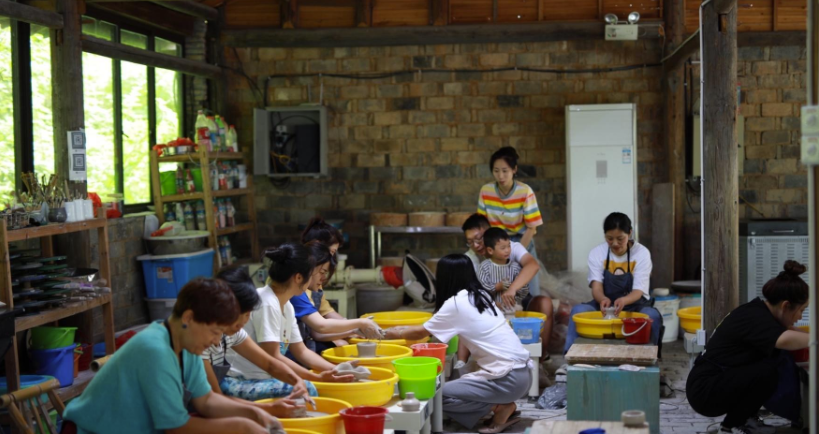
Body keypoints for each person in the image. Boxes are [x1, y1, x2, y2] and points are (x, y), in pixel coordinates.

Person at [62, 279, 280, 434]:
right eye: (215, 332)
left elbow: (206, 400)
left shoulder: (187, 345)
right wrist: (242, 427)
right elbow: (177, 427)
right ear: (188, 318)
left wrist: (254, 413)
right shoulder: (154, 349)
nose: (216, 341)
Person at [385, 254, 531, 434]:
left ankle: (499, 407)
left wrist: (386, 334)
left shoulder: (455, 304)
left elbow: (420, 333)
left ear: (445, 277)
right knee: (452, 387)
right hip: (523, 374)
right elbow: (431, 326)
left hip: (509, 380)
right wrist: (401, 328)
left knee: (436, 394)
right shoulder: (480, 295)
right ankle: (499, 404)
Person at [203, 266, 351, 413]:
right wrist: (268, 409)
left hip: (218, 396)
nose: (246, 320)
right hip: (224, 390)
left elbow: (270, 364)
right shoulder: (202, 342)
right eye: (246, 314)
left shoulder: (235, 332)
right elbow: (214, 399)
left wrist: (306, 379)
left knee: (303, 390)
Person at [687, 261, 810, 434]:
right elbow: (785, 340)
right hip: (705, 391)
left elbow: (792, 331)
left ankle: (744, 419)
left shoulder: (760, 312)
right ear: (785, 306)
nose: (800, 317)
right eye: (801, 310)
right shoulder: (756, 318)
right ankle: (732, 426)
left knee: (767, 366)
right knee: (767, 372)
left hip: (713, 382)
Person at [226, 243, 353, 401]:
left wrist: (338, 371)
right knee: (307, 389)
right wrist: (317, 378)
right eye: (311, 274)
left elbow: (302, 352)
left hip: (267, 377)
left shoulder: (286, 305)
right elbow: (274, 357)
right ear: (299, 277)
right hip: (242, 380)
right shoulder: (267, 302)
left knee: (313, 386)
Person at [461, 213, 553, 366]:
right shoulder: (470, 259)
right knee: (466, 311)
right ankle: (466, 364)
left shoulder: (510, 247)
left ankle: (539, 363)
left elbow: (533, 265)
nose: (476, 245)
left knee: (545, 303)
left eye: (478, 238)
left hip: (517, 301)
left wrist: (512, 290)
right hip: (490, 307)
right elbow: (471, 293)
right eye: (470, 242)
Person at [564, 212, 663, 353]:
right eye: (610, 239)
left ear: (630, 233)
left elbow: (638, 291)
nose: (615, 244)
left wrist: (624, 300)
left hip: (635, 306)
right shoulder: (597, 253)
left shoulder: (641, 253)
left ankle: (649, 359)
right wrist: (603, 299)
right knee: (578, 311)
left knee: (652, 316)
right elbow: (596, 288)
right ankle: (570, 359)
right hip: (605, 306)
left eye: (620, 239)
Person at [290, 241, 382, 357]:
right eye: (322, 272)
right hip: (288, 355)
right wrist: (361, 322)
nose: (324, 278)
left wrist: (353, 330)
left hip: (299, 348)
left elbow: (316, 333)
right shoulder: (295, 294)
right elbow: (321, 326)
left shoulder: (302, 292)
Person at [477, 146, 543, 297]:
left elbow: (531, 228)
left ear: (514, 169)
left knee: (529, 294)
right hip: (494, 243)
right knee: (495, 292)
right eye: (496, 171)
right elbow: (482, 224)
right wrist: (490, 248)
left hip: (521, 241)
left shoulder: (525, 191)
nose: (500, 175)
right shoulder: (486, 191)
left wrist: (514, 252)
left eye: (505, 171)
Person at [478, 227, 529, 311]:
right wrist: (497, 287)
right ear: (490, 250)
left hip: (512, 309)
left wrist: (514, 287)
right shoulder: (484, 267)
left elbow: (525, 290)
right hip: (491, 309)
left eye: (509, 246)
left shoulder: (515, 267)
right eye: (503, 248)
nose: (507, 250)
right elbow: (481, 290)